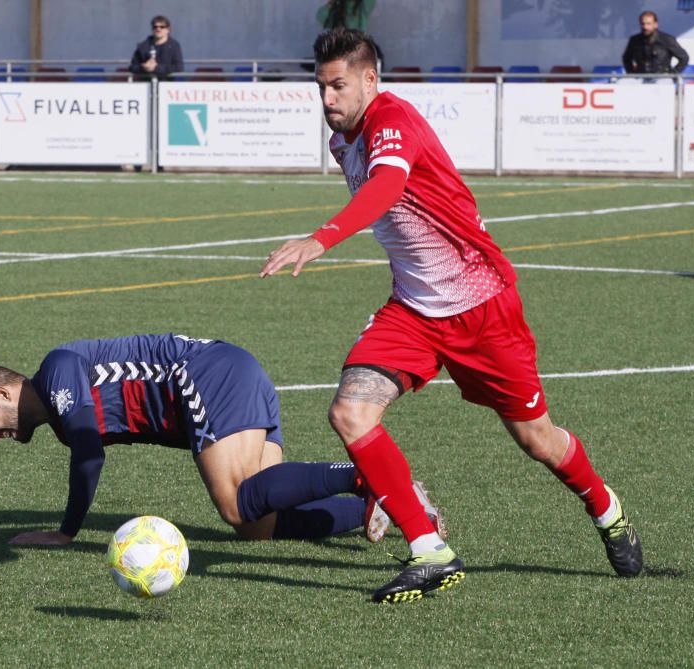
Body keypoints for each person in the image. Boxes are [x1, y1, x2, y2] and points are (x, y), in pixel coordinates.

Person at [260, 28, 643, 603]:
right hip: (413, 311)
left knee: (537, 439)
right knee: (350, 412)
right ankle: (429, 549)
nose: (328, 100)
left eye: (338, 86)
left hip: (482, 308)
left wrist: (323, 238)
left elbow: (388, 185)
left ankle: (605, 507)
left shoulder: (393, 120)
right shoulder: (343, 138)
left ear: (370, 78)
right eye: (321, 88)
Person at [0, 333, 446, 546]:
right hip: (229, 373)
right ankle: (375, 510)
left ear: (3, 390)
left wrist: (66, 533)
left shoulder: (57, 370)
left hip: (206, 377)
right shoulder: (59, 415)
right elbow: (82, 442)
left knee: (234, 503)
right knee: (257, 524)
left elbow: (89, 452)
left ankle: (368, 479)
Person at [622, 11, 689, 76]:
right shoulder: (634, 40)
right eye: (643, 24)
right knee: (623, 83)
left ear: (655, 24)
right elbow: (626, 58)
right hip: (640, 76)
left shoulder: (667, 39)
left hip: (661, 77)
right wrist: (631, 73)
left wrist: (672, 74)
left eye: (648, 24)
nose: (645, 27)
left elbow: (684, 58)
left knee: (662, 84)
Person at [129, 15, 183, 80]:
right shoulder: (143, 46)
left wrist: (157, 68)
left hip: (166, 85)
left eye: (162, 27)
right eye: (155, 27)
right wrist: (143, 67)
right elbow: (132, 67)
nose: (158, 29)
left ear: (168, 29)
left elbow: (179, 67)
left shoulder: (174, 45)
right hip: (145, 86)